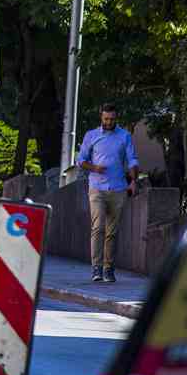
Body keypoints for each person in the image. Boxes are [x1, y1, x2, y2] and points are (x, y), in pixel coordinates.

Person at [77, 103, 140, 284]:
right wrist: (94, 167)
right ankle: (96, 268)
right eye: (106, 119)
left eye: (112, 119)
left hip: (118, 189)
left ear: (116, 118)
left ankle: (108, 268)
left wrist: (134, 180)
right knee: (98, 227)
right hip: (97, 188)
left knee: (112, 231)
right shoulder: (91, 135)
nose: (109, 122)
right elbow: (81, 160)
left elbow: (132, 159)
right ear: (101, 117)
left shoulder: (124, 136)